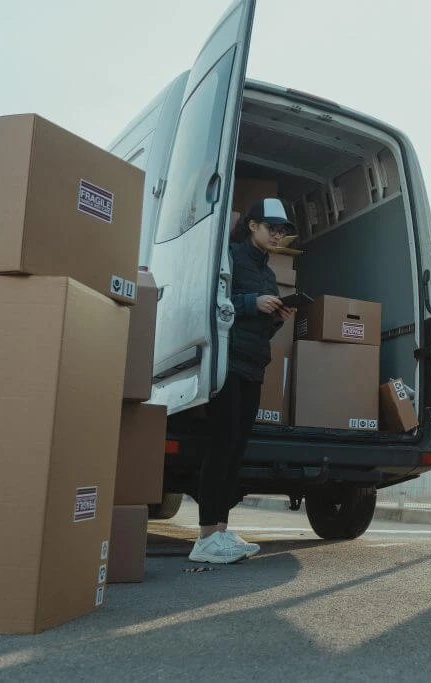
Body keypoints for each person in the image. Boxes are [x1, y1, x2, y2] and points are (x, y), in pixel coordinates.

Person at [188, 197, 297, 564]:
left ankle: (220, 530)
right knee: (221, 445)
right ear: (252, 225)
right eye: (272, 228)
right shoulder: (230, 257)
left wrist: (278, 316)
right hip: (226, 362)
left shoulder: (269, 273)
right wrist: (253, 303)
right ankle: (205, 536)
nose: (278, 235)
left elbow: (259, 329)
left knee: (236, 447)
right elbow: (211, 301)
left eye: (282, 231)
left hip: (253, 365)